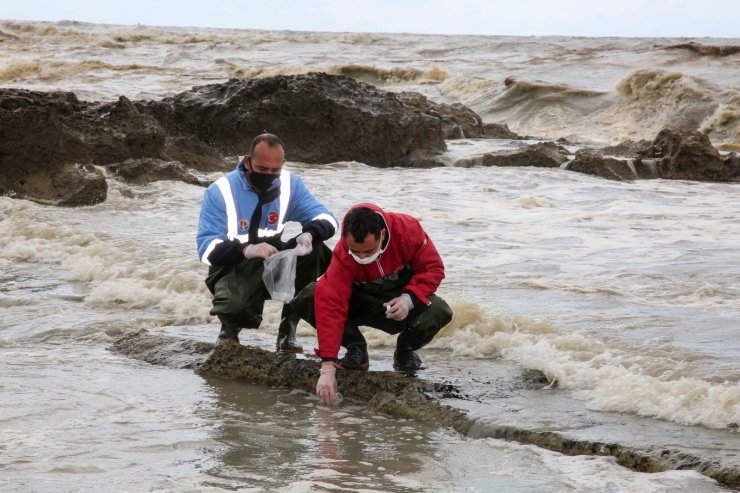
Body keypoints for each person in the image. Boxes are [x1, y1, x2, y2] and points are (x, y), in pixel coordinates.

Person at [286, 203, 453, 405]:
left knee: (439, 310)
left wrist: (409, 299)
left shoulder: (408, 230)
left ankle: (405, 351)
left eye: (368, 251)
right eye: (355, 252)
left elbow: (433, 268)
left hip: (398, 303)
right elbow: (330, 306)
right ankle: (356, 348)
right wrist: (327, 366)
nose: (362, 257)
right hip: (360, 303)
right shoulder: (342, 254)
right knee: (311, 295)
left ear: (382, 233)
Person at [196, 133, 338, 351]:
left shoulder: (291, 184)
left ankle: (287, 329)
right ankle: (229, 331)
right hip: (231, 263)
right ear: (247, 161)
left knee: (315, 249)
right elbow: (207, 250)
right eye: (262, 169)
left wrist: (309, 234)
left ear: (282, 165)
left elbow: (328, 219)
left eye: (275, 170)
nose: (269, 175)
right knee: (234, 305)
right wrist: (247, 249)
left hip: (273, 255)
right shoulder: (220, 191)